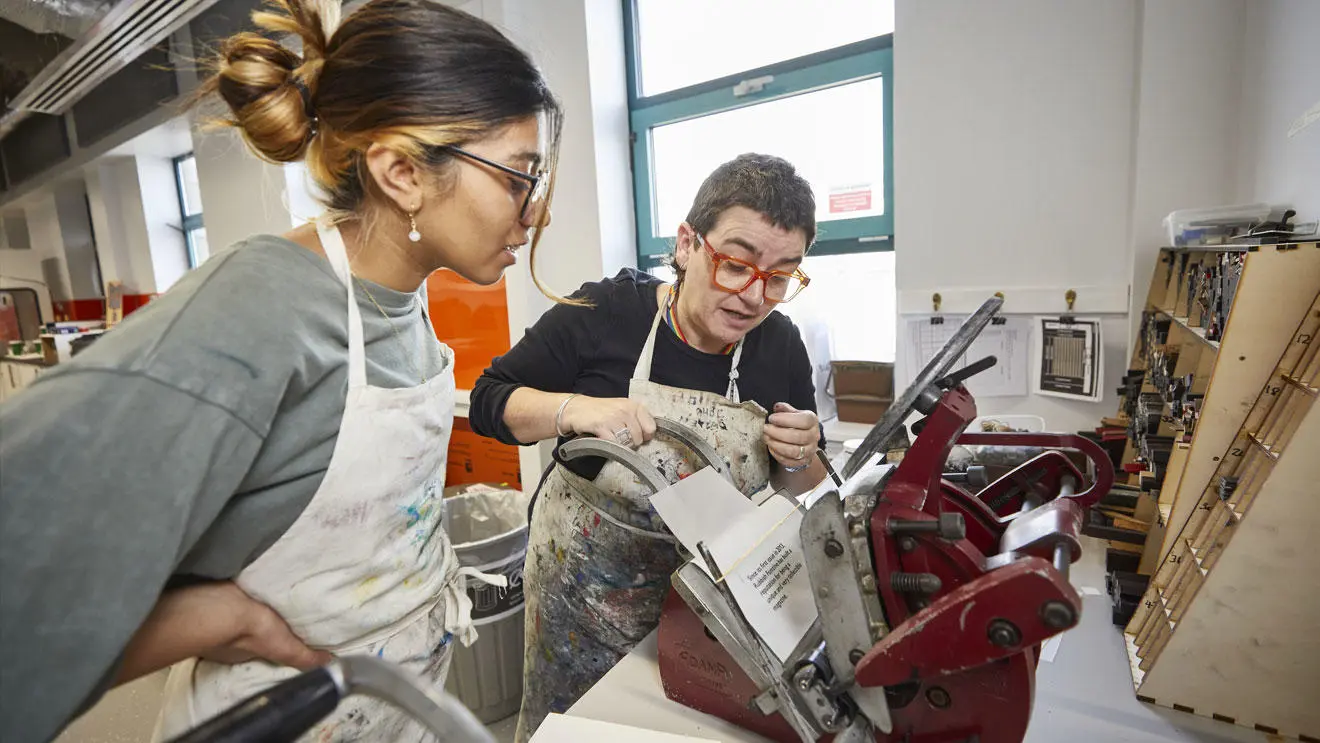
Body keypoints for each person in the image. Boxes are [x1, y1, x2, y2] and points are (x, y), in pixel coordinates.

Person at [0, 1, 562, 740]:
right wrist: (207, 615)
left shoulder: (400, 295)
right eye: (518, 176)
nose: (536, 214)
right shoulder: (263, 308)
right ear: (401, 172)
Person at [468, 153, 827, 741]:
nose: (753, 296)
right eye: (737, 264)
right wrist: (572, 409)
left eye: (780, 276)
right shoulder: (606, 313)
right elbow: (489, 402)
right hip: (578, 607)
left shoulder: (779, 347)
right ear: (687, 244)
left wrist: (801, 452)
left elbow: (801, 488)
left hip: (702, 619)